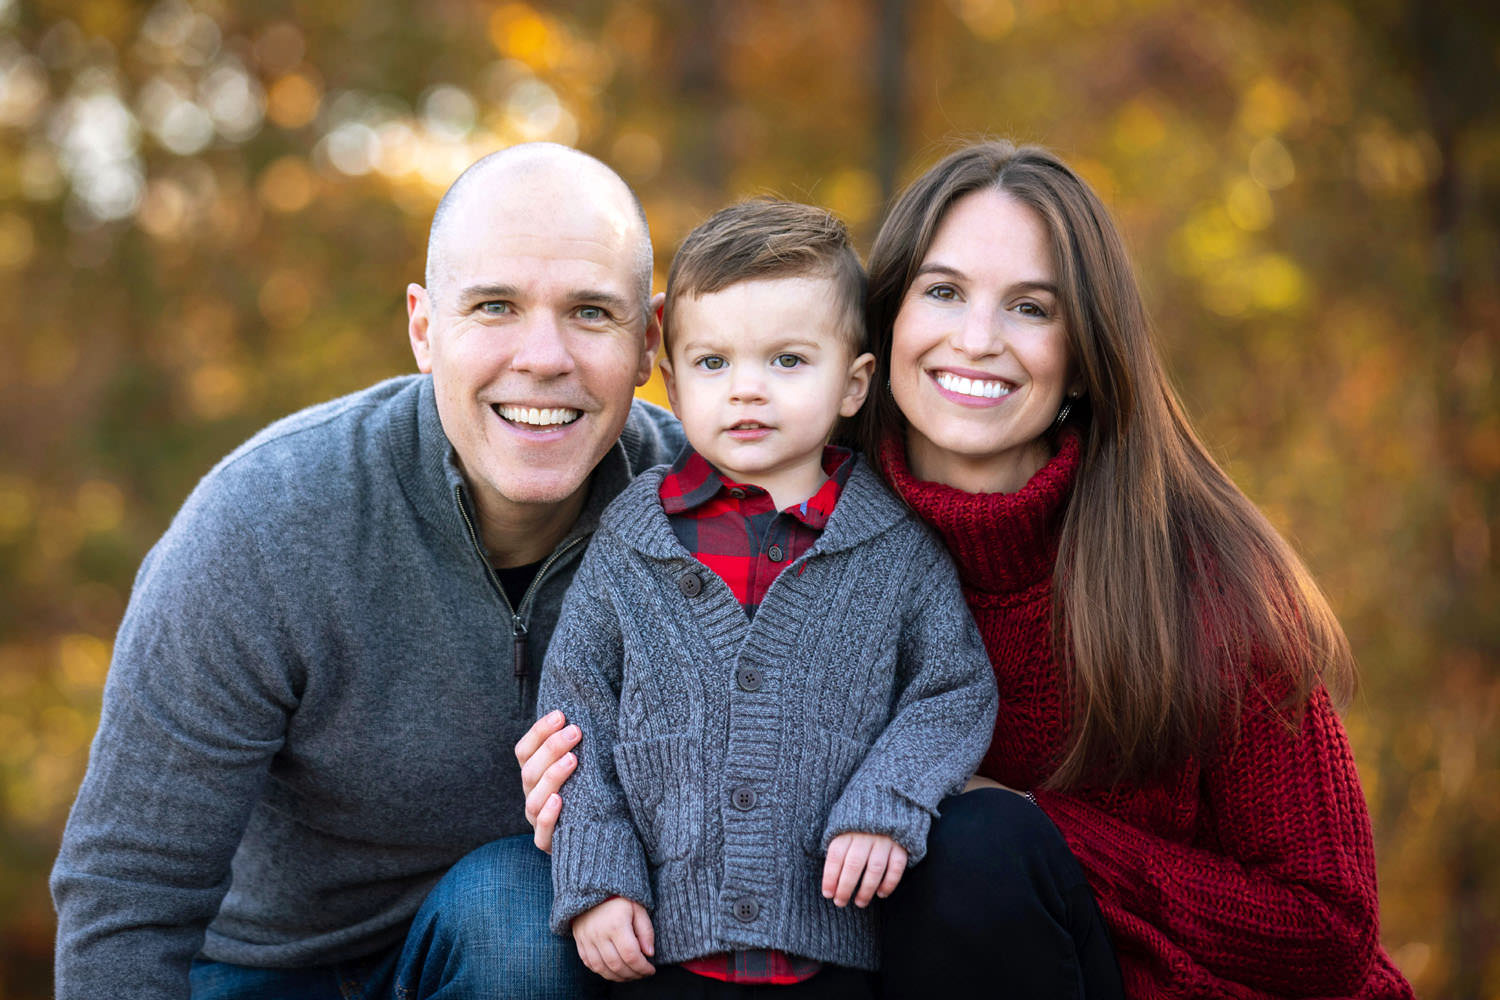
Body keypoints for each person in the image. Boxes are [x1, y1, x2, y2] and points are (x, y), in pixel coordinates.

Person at [519, 140, 1416, 999]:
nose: (978, 339)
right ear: (887, 325)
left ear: (1082, 353)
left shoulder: (1197, 573)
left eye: (1032, 306)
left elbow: (1328, 929)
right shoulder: (787, 518)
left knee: (968, 848)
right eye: (945, 292)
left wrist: (1026, 821)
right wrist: (585, 785)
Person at [51, 142, 685, 1000]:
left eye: (590, 313)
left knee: (523, 904)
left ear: (648, 342)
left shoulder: (709, 519)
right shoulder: (266, 523)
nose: (543, 356)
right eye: (495, 306)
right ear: (425, 329)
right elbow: (127, 893)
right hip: (263, 971)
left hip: (514, 956)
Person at [535, 199, 998, 997]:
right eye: (715, 364)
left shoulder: (893, 547)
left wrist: (888, 801)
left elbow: (953, 691)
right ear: (673, 384)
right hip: (659, 951)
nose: (747, 391)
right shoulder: (631, 541)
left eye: (787, 361)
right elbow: (575, 714)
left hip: (837, 946)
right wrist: (598, 879)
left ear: (853, 385)